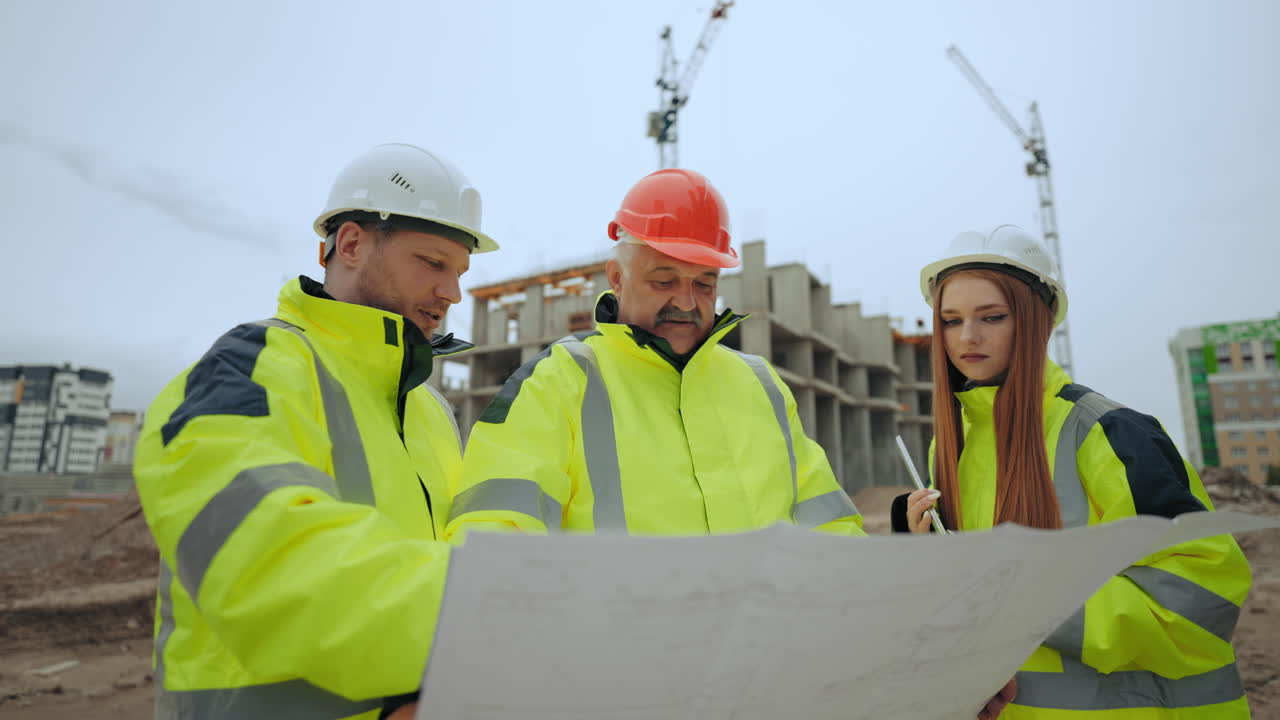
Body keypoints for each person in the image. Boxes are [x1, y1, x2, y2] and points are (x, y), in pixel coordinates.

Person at [412, 169, 1013, 720]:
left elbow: (835, 556)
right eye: (664, 278)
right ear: (617, 279)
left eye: (704, 282)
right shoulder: (557, 384)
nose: (687, 300)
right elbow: (494, 557)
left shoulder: (761, 387)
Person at [133, 143, 498, 720]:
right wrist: (496, 626)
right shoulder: (248, 369)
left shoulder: (430, 408)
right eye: (432, 263)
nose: (452, 293)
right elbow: (267, 566)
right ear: (351, 244)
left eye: (459, 272)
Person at [896, 225, 1253, 718]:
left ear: (1036, 321)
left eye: (992, 316)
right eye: (951, 321)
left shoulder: (1108, 433)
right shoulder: (950, 445)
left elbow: (1199, 602)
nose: (967, 337)